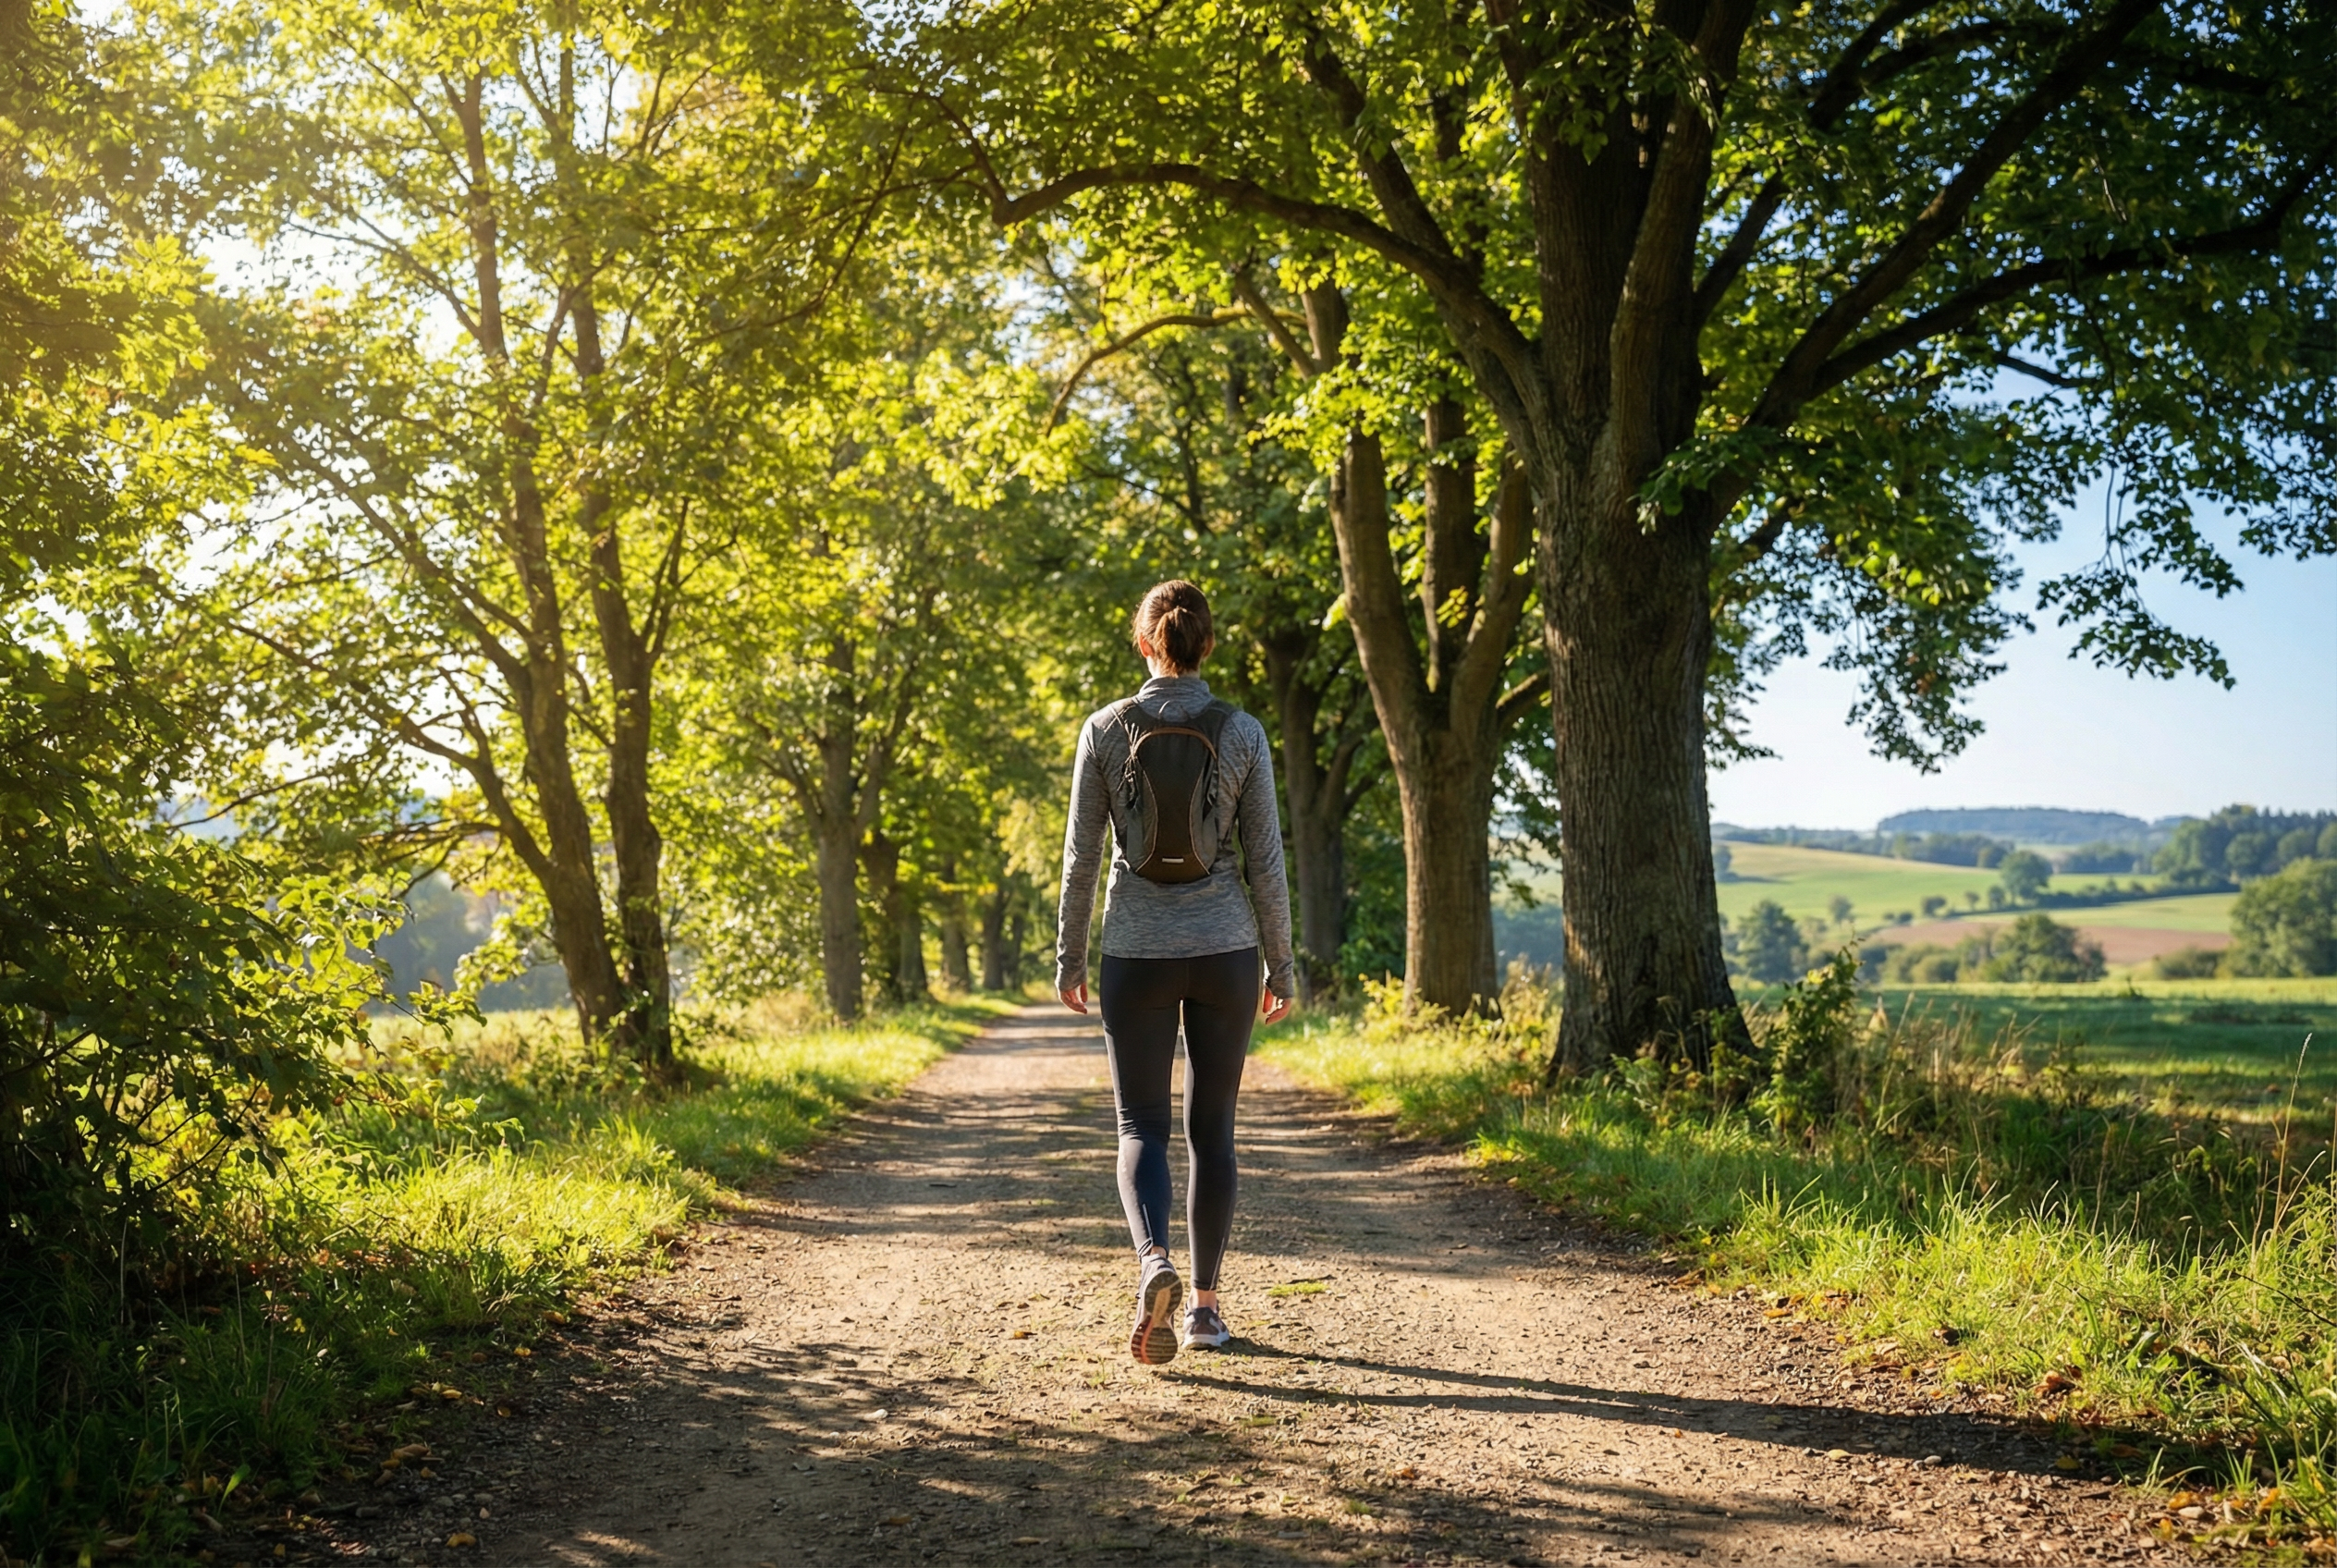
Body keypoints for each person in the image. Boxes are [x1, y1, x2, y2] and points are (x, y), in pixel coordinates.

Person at [1056, 580, 1296, 1365]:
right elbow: (1266, 861)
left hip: (1136, 952)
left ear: (1144, 643)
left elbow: (1081, 857)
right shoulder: (1244, 733)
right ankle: (1203, 1311)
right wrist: (1282, 965)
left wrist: (1070, 957)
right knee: (1212, 1133)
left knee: (1140, 1128)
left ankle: (1152, 1259)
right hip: (1227, 951)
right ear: (1207, 646)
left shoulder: (1104, 727)